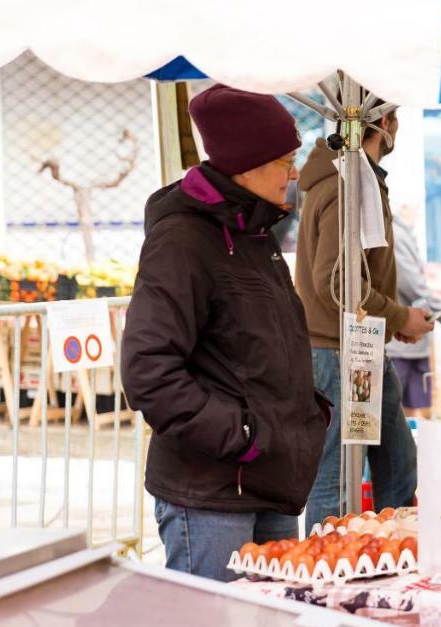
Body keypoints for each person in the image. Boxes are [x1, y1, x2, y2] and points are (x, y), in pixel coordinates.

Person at [121, 85, 329, 580]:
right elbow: (147, 369)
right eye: (285, 160)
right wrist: (242, 434)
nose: (294, 173)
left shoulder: (255, 234)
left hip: (270, 483)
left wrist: (303, 416)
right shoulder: (183, 240)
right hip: (212, 496)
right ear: (246, 163)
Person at [295, 102, 435, 531]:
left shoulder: (358, 179)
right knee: (336, 480)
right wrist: (398, 316)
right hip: (337, 353)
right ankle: (327, 576)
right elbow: (338, 282)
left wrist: (392, 322)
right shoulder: (344, 185)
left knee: (397, 461)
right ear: (386, 123)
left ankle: (393, 550)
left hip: (361, 346)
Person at [386, 207, 441, 419]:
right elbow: (412, 283)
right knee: (397, 414)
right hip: (400, 346)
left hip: (412, 345)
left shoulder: (402, 232)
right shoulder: (396, 234)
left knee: (418, 411)